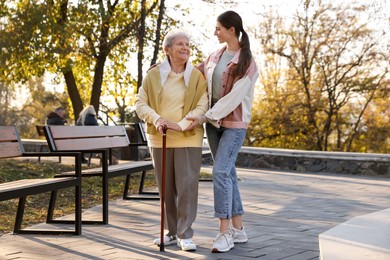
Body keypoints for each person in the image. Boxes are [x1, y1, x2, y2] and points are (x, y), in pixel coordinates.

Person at [186, 10, 259, 253]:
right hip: (213, 125)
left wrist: (204, 116)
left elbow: (233, 100)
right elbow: (193, 73)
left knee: (219, 172)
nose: (215, 32)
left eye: (218, 28)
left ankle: (224, 232)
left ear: (231, 29)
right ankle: (239, 229)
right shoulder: (215, 56)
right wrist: (165, 66)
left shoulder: (248, 63)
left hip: (234, 125)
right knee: (227, 173)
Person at [135, 29, 208, 251]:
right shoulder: (153, 74)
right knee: (166, 189)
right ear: (167, 50)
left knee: (186, 187)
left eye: (187, 44)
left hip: (188, 137)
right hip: (160, 138)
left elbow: (202, 105)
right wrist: (157, 120)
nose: (185, 47)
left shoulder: (196, 76)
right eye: (180, 44)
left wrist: (182, 124)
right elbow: (140, 103)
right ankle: (171, 232)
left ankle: (185, 233)